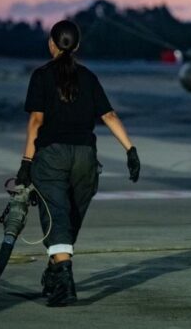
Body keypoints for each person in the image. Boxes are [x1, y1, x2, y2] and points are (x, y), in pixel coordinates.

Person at [15, 20, 140, 307]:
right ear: (78, 46)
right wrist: (130, 150)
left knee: (57, 215)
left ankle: (64, 282)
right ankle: (56, 270)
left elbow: (36, 120)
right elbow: (109, 116)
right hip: (85, 157)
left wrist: (25, 162)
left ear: (51, 43)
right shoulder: (89, 77)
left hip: (52, 156)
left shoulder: (41, 76)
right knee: (70, 217)